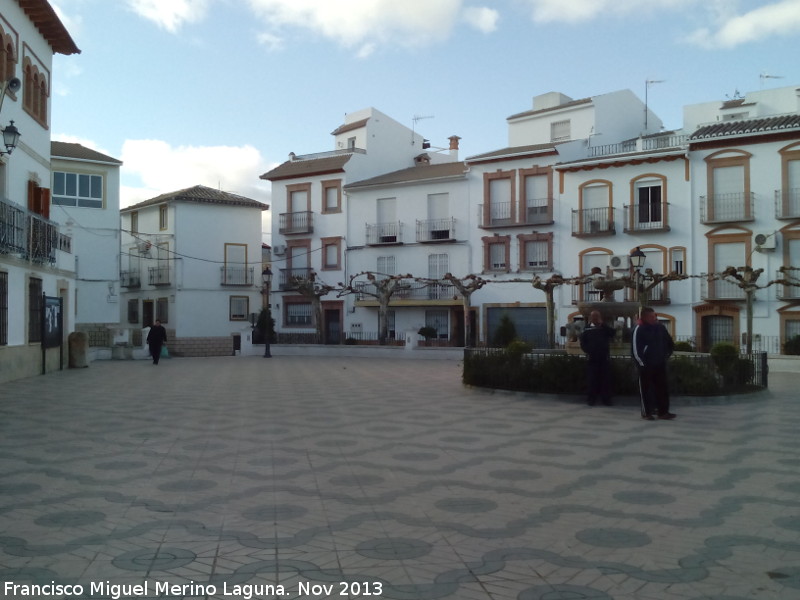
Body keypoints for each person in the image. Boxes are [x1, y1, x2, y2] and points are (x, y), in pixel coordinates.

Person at [632, 307, 675, 420]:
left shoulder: (660, 327)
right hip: (646, 366)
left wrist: (666, 355)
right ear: (645, 317)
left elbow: (669, 342)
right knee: (646, 390)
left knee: (662, 389)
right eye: (651, 316)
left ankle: (663, 412)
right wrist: (642, 364)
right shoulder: (639, 329)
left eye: (654, 315)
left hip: (660, 363)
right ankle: (646, 413)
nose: (654, 318)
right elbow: (636, 349)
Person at [579, 310, 616, 406]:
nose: (595, 318)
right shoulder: (587, 329)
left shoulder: (604, 328)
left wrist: (603, 324)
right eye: (593, 317)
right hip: (592, 359)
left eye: (597, 316)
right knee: (592, 380)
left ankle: (606, 400)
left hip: (604, 358)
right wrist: (589, 351)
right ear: (590, 318)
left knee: (606, 380)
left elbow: (612, 333)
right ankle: (591, 399)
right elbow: (583, 343)